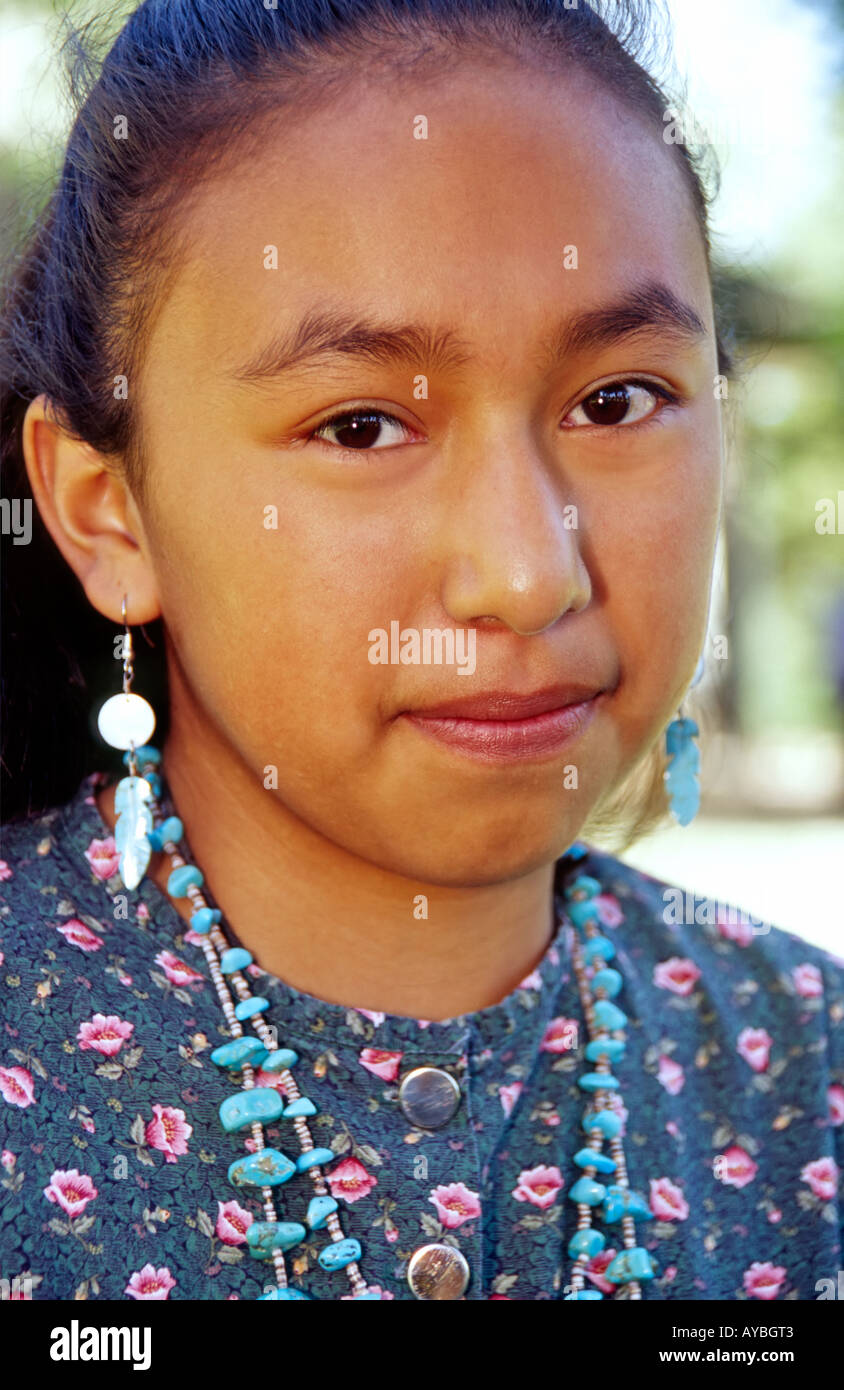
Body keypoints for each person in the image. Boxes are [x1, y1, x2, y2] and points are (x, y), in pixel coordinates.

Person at [0, 0, 841, 1304]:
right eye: (360, 425)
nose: (527, 571)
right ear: (109, 511)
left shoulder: (810, 1069)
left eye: (617, 399)